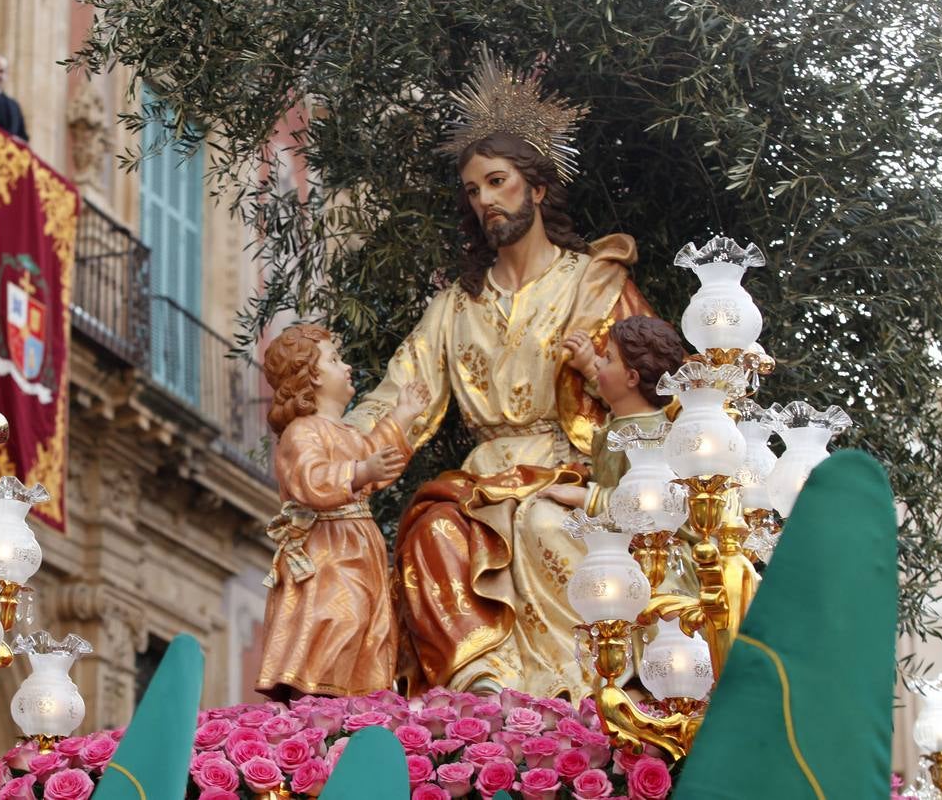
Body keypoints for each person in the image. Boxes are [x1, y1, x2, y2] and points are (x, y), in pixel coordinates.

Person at [344, 48, 654, 700]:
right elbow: (405, 395)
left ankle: (584, 697)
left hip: (571, 472)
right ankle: (480, 697)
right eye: (473, 189)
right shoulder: (457, 306)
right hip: (483, 483)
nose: (485, 198)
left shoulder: (595, 286)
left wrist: (612, 463)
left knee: (547, 524)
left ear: (538, 188)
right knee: (431, 531)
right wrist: (339, 453)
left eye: (498, 181)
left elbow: (652, 392)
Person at [255, 323, 430, 699]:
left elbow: (372, 457)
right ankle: (318, 697)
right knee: (339, 618)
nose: (347, 366)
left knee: (373, 625)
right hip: (328, 552)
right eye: (335, 359)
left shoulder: (347, 434)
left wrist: (402, 416)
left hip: (360, 546)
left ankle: (358, 701)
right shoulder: (301, 433)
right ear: (312, 375)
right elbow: (309, 479)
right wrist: (358, 473)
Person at [539, 315, 687, 516]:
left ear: (632, 377)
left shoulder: (649, 437)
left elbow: (653, 505)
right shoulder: (627, 424)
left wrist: (586, 498)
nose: (597, 363)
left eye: (607, 358)